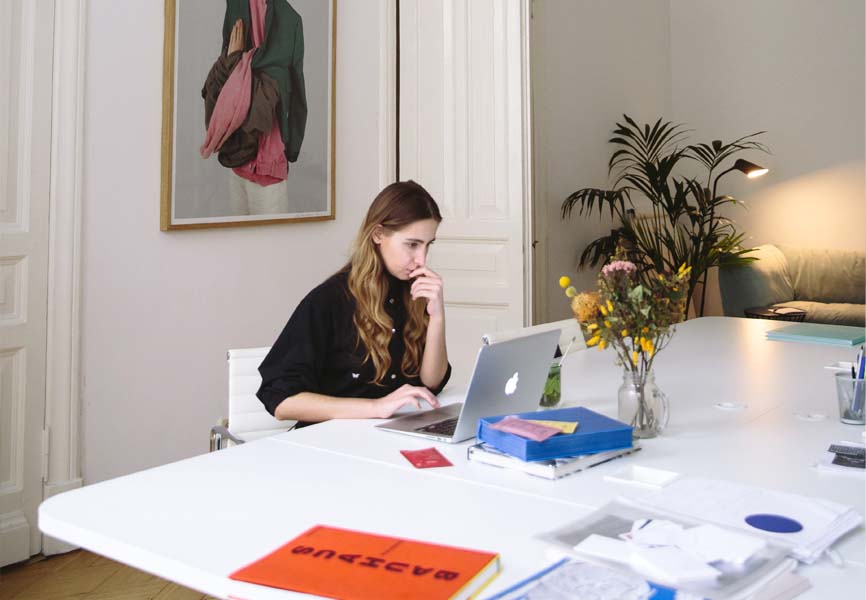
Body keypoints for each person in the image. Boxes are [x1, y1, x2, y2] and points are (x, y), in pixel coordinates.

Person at [257, 181, 451, 427]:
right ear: (378, 234)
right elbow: (281, 401)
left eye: (428, 245)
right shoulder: (328, 300)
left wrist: (437, 318)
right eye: (412, 244)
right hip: (333, 445)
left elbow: (431, 382)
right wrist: (376, 408)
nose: (421, 259)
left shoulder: (414, 291)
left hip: (390, 438)